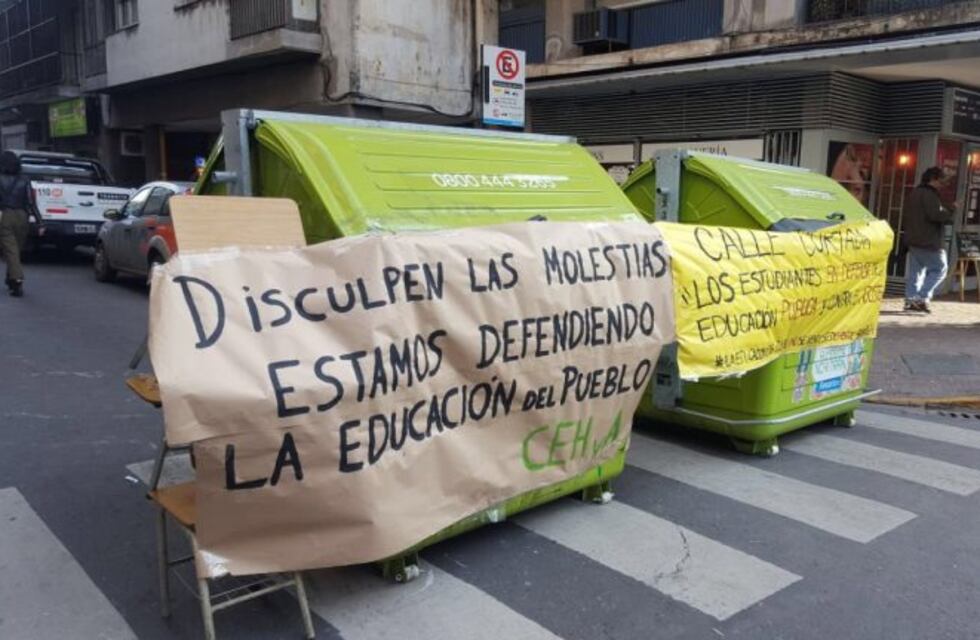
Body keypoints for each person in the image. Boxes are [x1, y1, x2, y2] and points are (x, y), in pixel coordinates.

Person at [903, 166, 955, 313]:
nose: (943, 184)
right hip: (929, 240)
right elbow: (936, 215)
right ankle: (921, 298)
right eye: (941, 180)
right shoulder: (929, 194)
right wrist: (951, 209)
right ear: (933, 179)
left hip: (913, 239)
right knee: (940, 269)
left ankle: (911, 300)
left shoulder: (915, 192)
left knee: (916, 272)